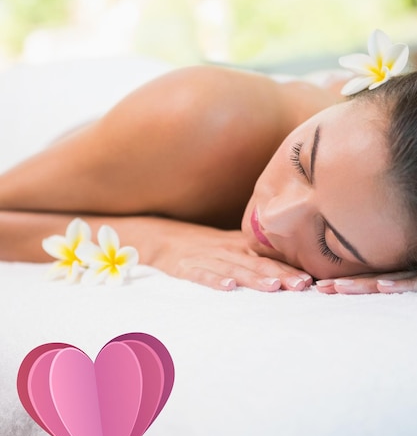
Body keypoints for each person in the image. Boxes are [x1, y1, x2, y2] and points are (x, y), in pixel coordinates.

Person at [0, 29, 416, 295]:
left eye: (330, 242)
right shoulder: (196, 116)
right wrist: (160, 242)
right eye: (300, 160)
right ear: (346, 93)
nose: (272, 217)